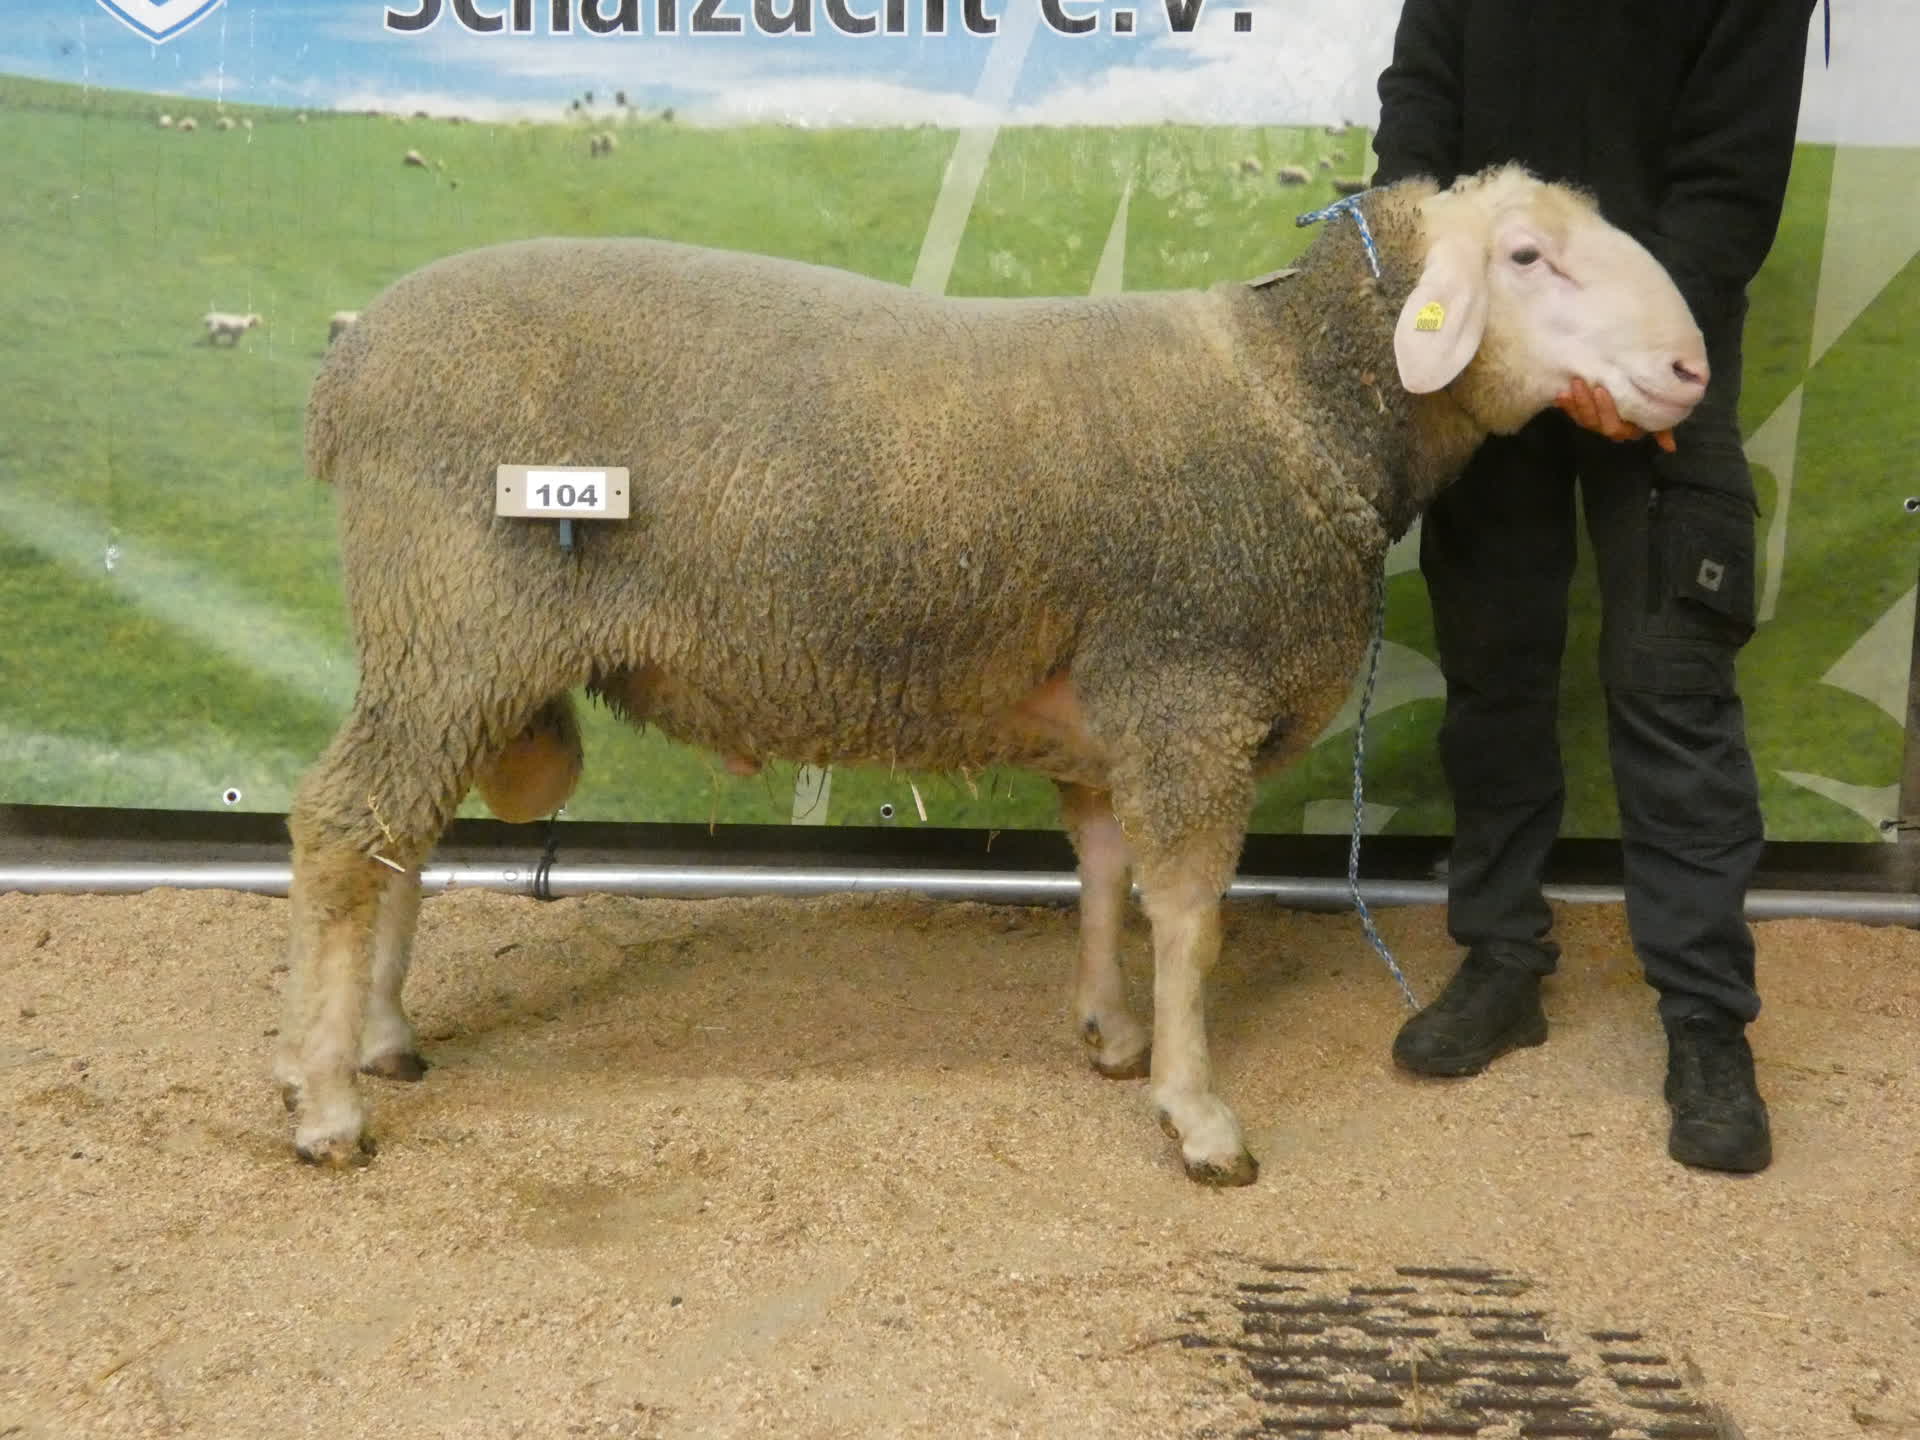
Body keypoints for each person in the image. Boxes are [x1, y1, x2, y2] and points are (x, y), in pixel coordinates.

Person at [1368, 0, 1822, 1173]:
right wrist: (1466, 296)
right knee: (1494, 659)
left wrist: (1613, 351)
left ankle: (1706, 1019)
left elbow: (1729, 180)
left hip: (1651, 346)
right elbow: (1419, 111)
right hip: (1495, 343)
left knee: (1671, 673)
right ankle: (1502, 959)